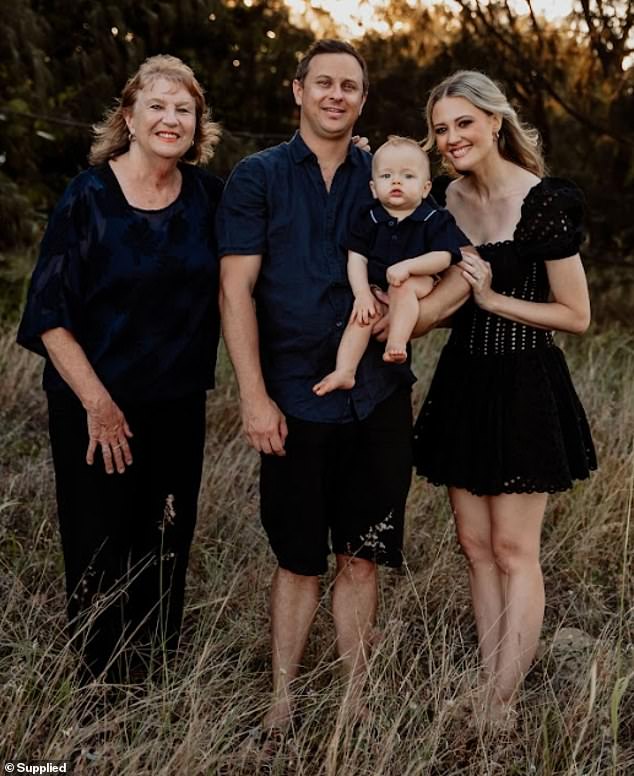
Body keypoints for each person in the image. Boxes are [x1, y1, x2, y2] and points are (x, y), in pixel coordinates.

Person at [217, 40, 415, 733]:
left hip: (378, 398)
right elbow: (235, 292)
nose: (337, 95)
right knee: (298, 559)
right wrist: (253, 395)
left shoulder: (384, 174)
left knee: (361, 558)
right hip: (293, 397)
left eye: (350, 86)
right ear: (296, 90)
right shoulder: (257, 177)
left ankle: (356, 700)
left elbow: (427, 253)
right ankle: (280, 701)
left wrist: (408, 299)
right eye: (324, 83)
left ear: (362, 100)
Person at [17, 55, 223, 682]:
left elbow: (278, 217)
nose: (170, 118)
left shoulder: (212, 198)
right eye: (156, 106)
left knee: (164, 543)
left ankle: (151, 682)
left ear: (197, 125)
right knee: (98, 544)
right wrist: (99, 405)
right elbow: (49, 314)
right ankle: (96, 688)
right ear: (129, 117)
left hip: (177, 404)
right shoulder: (89, 196)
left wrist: (358, 156)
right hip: (92, 403)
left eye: (183, 108)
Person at [410, 70, 597, 724]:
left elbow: (577, 315)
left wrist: (492, 299)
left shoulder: (542, 200)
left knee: (516, 550)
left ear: (494, 122)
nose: (452, 137)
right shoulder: (440, 202)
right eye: (441, 128)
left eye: (464, 122)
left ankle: (501, 700)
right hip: (464, 382)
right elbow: (425, 301)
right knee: (474, 544)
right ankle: (494, 685)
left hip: (525, 385)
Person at [313, 135, 468, 396]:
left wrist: (409, 267)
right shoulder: (370, 217)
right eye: (386, 177)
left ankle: (396, 342)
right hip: (377, 286)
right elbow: (356, 258)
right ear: (374, 188)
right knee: (362, 316)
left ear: (426, 188)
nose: (396, 181)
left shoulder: (433, 218)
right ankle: (345, 371)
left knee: (402, 287)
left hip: (419, 281)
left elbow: (444, 256)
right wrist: (362, 294)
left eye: (408, 177)